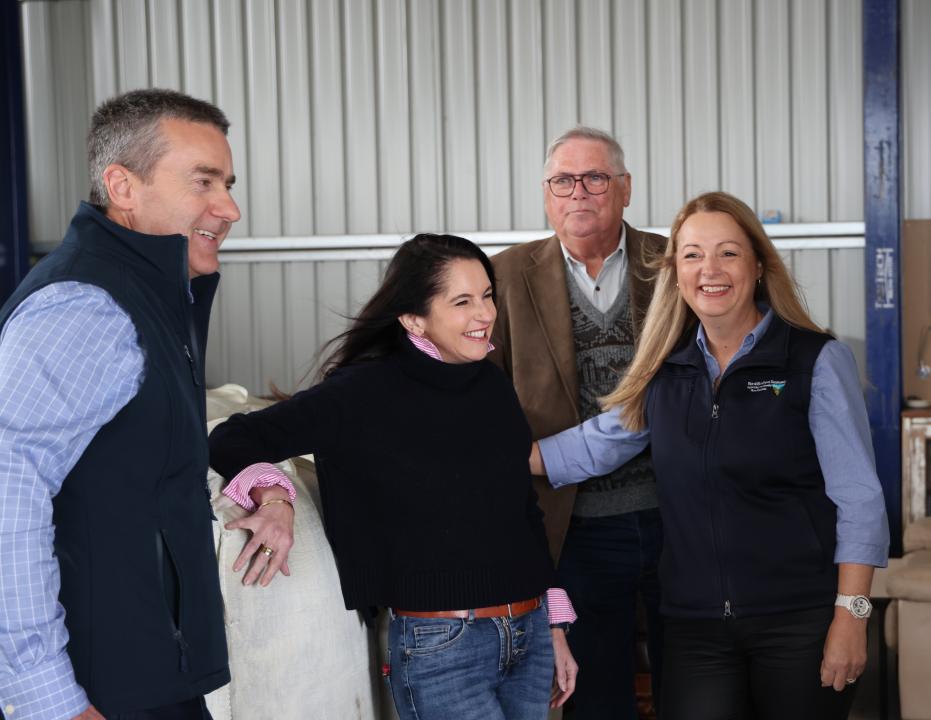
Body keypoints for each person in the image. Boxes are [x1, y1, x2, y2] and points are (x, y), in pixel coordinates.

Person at [531, 191, 890, 720]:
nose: (710, 270)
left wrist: (851, 615)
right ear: (675, 272)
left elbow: (859, 497)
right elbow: (596, 443)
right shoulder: (664, 370)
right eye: (693, 255)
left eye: (728, 252)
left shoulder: (814, 359)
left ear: (759, 265)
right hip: (693, 629)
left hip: (798, 622)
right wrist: (489, 461)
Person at [0, 89, 293, 720]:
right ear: (122, 186)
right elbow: (6, 494)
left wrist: (268, 492)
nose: (231, 207)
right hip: (97, 694)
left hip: (146, 678)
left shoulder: (150, 298)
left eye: (229, 182)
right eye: (203, 181)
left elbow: (141, 473)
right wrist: (48, 698)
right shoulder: (86, 306)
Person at [207, 234, 579, 720]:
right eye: (462, 301)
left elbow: (522, 511)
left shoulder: (490, 383)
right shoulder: (361, 391)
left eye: (487, 295)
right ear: (412, 317)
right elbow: (232, 439)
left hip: (528, 634)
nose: (485, 313)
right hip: (443, 646)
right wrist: (274, 498)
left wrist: (554, 623)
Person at [490, 126, 666, 718]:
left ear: (625, 189)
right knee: (596, 696)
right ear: (546, 193)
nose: (578, 194)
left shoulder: (674, 262)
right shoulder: (505, 276)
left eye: (595, 178)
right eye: (562, 181)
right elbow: (480, 390)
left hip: (681, 516)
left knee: (697, 684)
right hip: (572, 526)